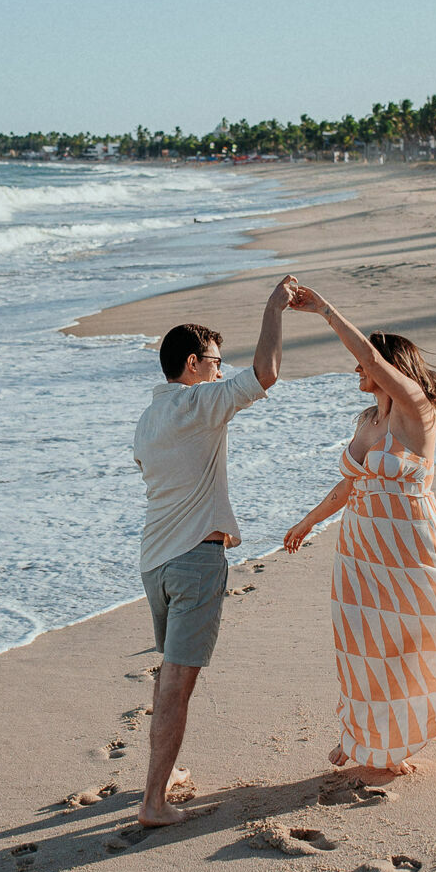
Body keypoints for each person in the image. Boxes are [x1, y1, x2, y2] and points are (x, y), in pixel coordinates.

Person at [281, 285, 436, 778]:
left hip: (410, 542)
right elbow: (349, 485)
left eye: (366, 365)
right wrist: (307, 522)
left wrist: (326, 311)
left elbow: (367, 353)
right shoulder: (369, 419)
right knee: (362, 642)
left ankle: (403, 734)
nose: (357, 370)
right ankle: (362, 735)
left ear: (388, 369)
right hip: (361, 546)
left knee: (418, 634)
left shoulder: (417, 410)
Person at [132, 274, 298, 826]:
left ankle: (164, 771)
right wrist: (274, 306)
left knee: (170, 674)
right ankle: (153, 801)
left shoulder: (148, 419)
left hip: (154, 562)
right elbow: (266, 374)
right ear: (192, 364)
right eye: (215, 360)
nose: (220, 369)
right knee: (178, 683)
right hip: (193, 561)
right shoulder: (197, 404)